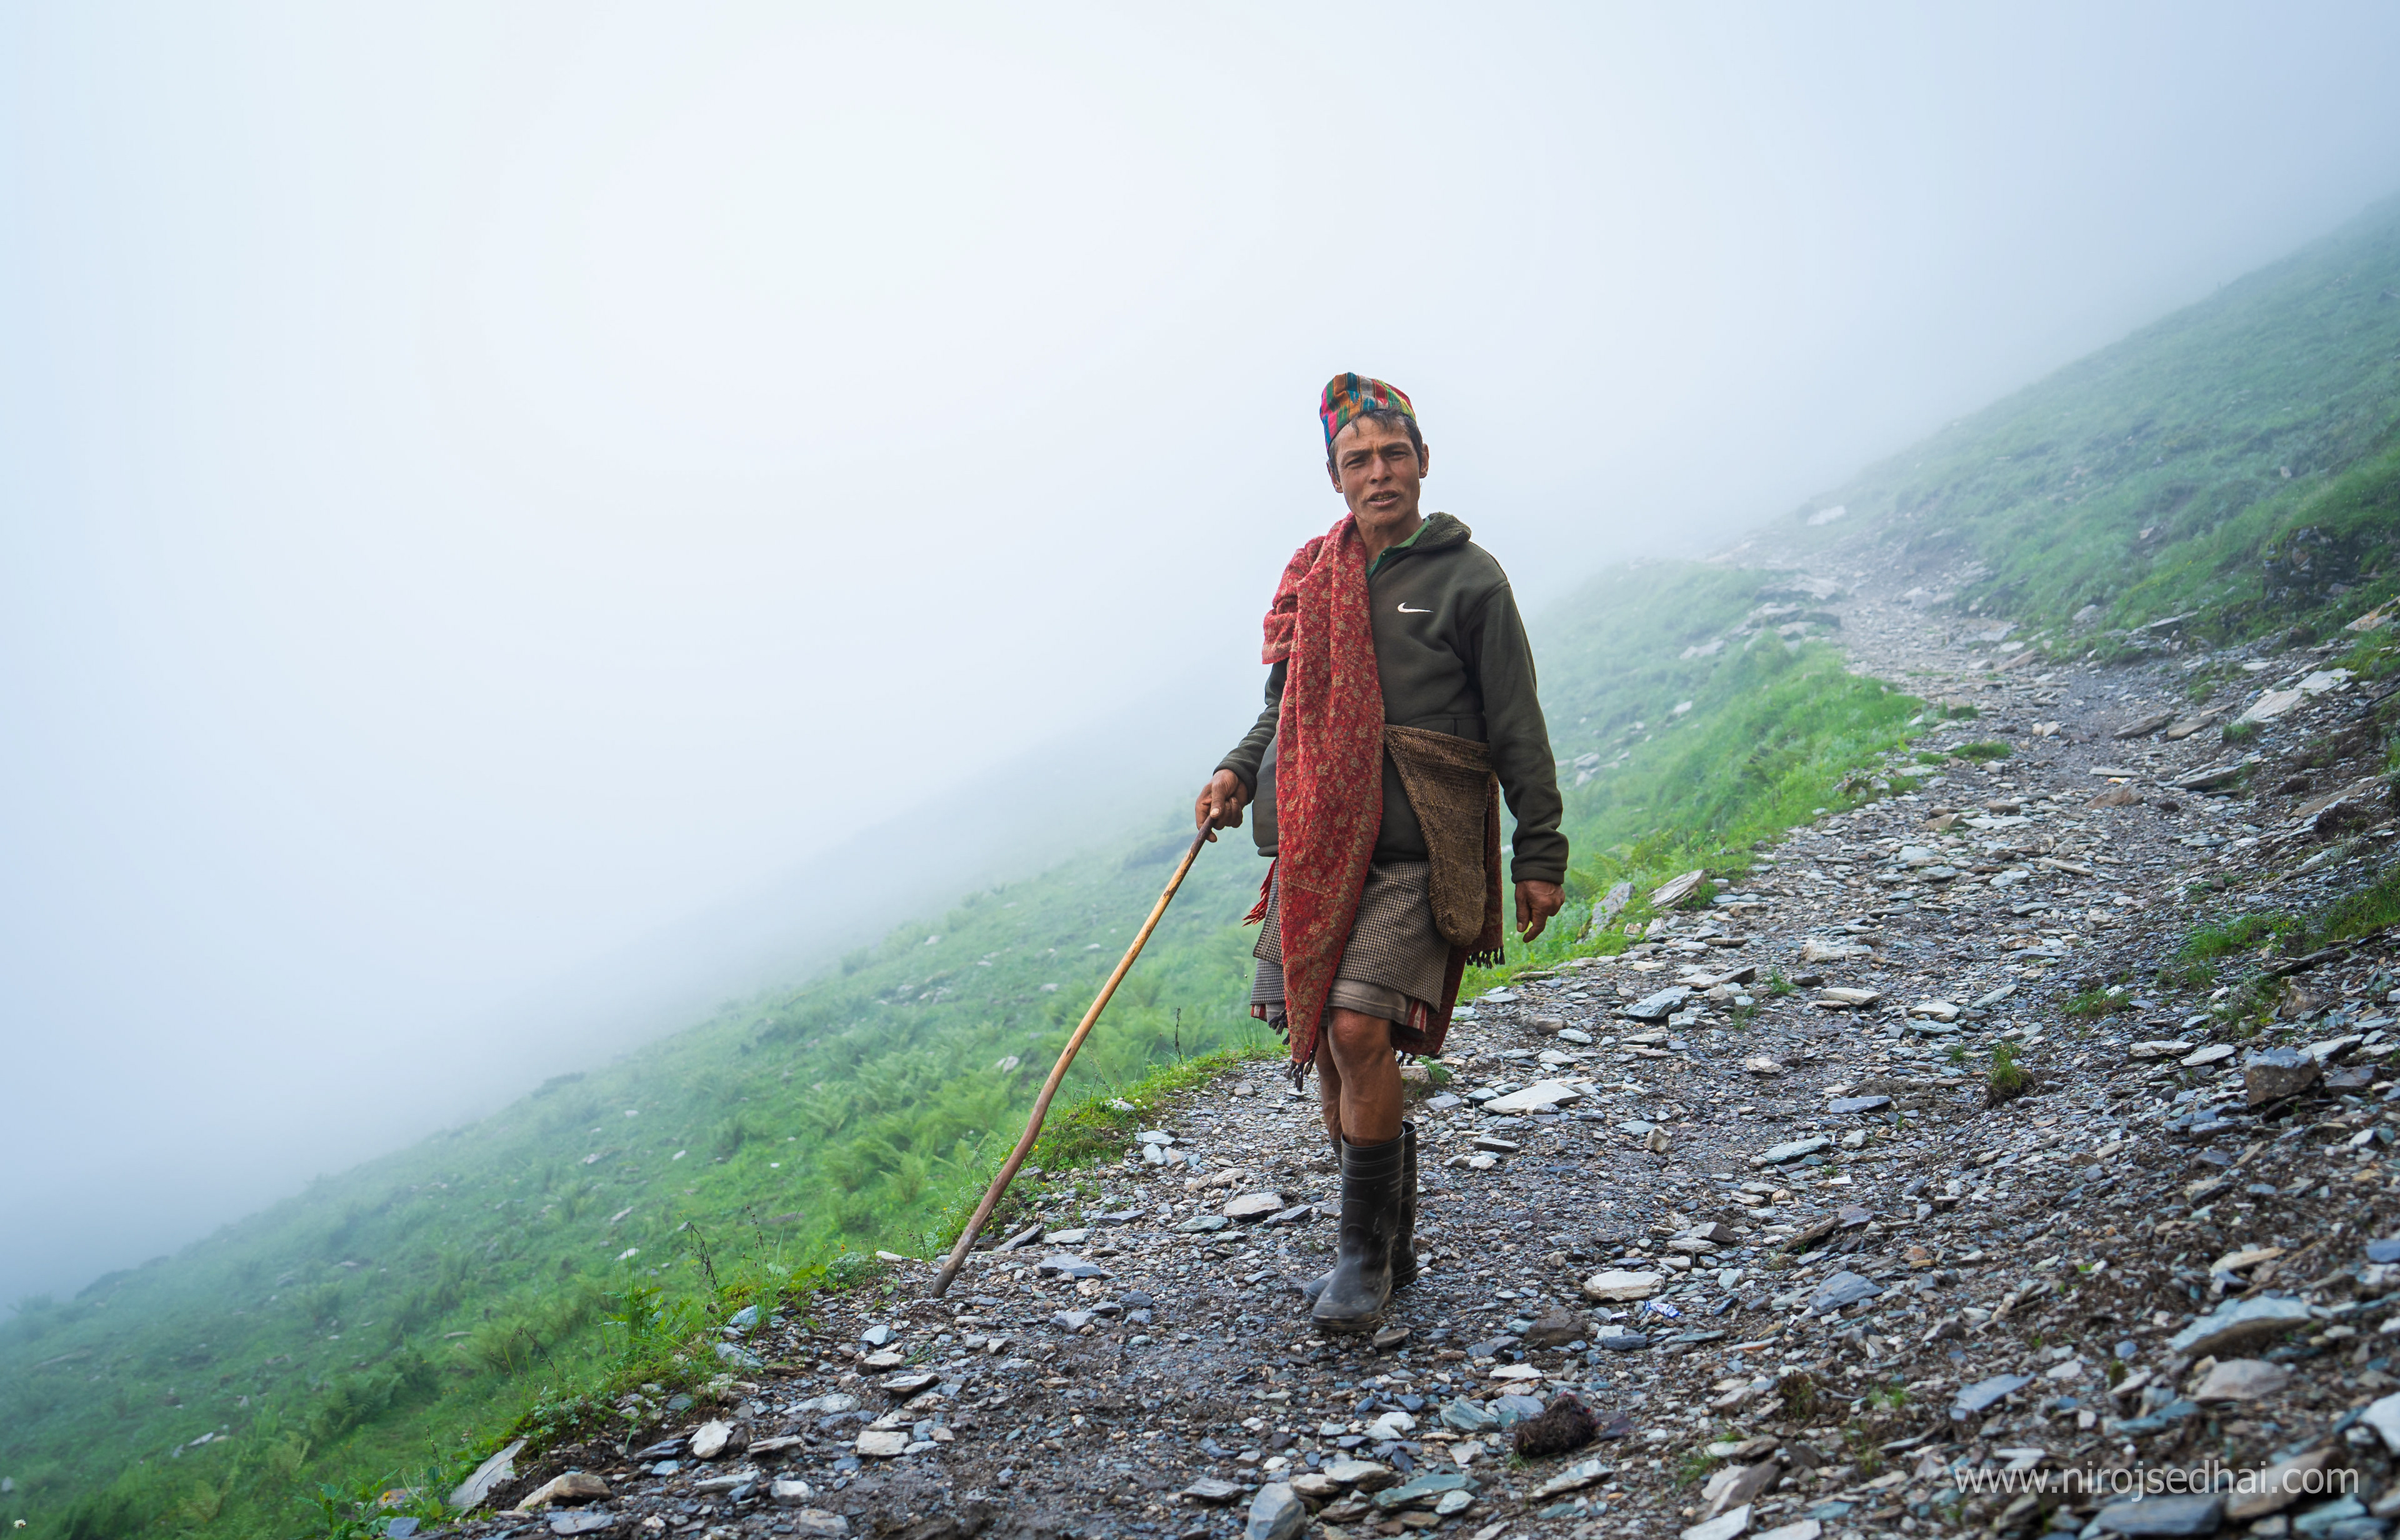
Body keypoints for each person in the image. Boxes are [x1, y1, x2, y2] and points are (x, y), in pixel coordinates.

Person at [1196, 374, 1568, 1331]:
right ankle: (1390, 1244)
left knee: (1360, 1030)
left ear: (1424, 462)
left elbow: (1515, 719)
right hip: (1319, 847)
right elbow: (1286, 711)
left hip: (1417, 848)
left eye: (1394, 454)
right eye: (1358, 460)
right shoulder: (1314, 579)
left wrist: (1541, 849)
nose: (1379, 472)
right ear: (1335, 477)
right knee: (1321, 1036)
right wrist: (1239, 774)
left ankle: (1360, 1265)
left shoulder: (1467, 578)